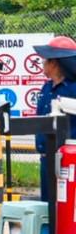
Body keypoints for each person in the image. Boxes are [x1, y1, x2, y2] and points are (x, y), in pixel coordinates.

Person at [32, 36, 76, 202]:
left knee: (67, 204)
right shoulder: (47, 87)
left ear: (55, 64)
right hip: (46, 157)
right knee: (48, 204)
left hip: (68, 159)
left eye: (45, 61)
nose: (43, 64)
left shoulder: (73, 89)